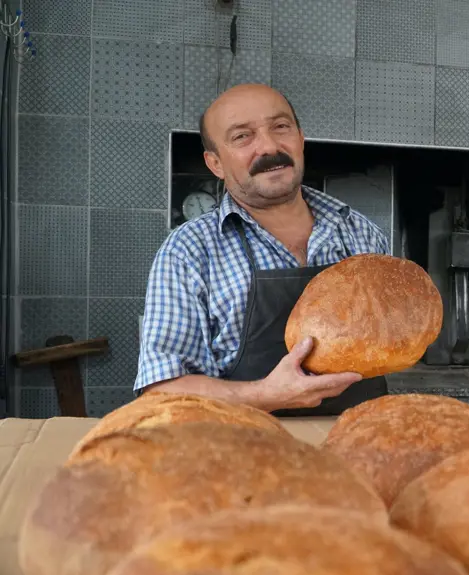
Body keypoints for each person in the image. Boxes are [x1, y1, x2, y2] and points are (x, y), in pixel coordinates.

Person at [134, 83, 391, 415]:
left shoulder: (362, 234)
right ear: (215, 163)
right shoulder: (189, 251)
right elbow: (161, 391)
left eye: (280, 127)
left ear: (300, 139)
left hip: (359, 447)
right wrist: (264, 395)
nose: (269, 146)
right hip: (247, 451)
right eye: (242, 137)